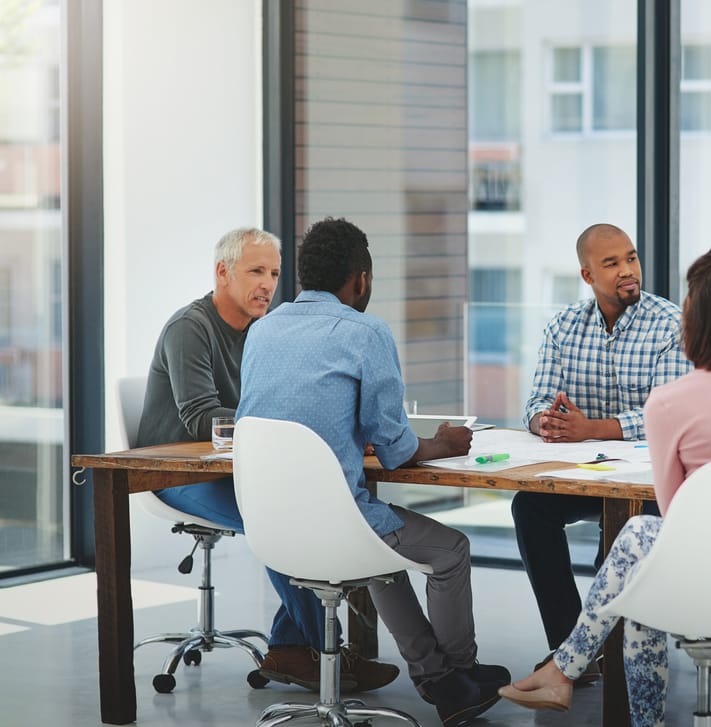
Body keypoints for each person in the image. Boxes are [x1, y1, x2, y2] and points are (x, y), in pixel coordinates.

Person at [497, 244, 711, 726]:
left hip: (699, 576)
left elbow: (672, 510)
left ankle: (571, 669)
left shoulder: (669, 404)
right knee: (644, 579)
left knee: (643, 540)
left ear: (694, 320)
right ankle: (572, 672)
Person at [236, 217, 510, 727]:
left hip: (268, 527)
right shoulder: (365, 332)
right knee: (450, 552)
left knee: (380, 550)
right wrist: (443, 443)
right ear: (360, 279)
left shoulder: (263, 330)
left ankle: (440, 680)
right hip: (338, 523)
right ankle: (457, 674)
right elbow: (394, 449)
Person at [137, 226, 398, 693]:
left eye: (275, 273)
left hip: (245, 469)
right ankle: (324, 656)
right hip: (179, 475)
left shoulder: (266, 329)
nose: (268, 284)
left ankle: (290, 649)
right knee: (281, 516)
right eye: (256, 271)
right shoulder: (189, 329)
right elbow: (200, 418)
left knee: (311, 508)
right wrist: (293, 426)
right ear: (223, 272)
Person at [511, 222, 692, 673]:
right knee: (529, 508)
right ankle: (572, 649)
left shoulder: (671, 325)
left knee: (618, 541)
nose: (628, 270)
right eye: (611, 263)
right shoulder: (564, 326)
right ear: (588, 276)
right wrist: (545, 421)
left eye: (631, 258)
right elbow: (536, 400)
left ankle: (612, 654)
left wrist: (591, 428)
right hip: (586, 475)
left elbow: (665, 417)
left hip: (652, 482)